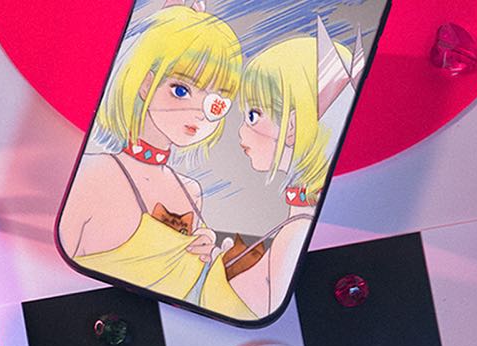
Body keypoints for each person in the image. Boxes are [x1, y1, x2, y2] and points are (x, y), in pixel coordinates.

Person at [58, 3, 254, 319]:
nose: (197, 113)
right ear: (146, 83)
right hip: (85, 315)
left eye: (215, 102)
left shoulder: (191, 191)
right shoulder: (95, 173)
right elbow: (59, 276)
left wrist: (202, 256)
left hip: (165, 322)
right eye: (181, 90)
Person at [230, 20, 365, 317]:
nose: (240, 132)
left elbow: (255, 309)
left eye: (253, 115)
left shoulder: (298, 231)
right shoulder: (300, 223)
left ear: (291, 125)